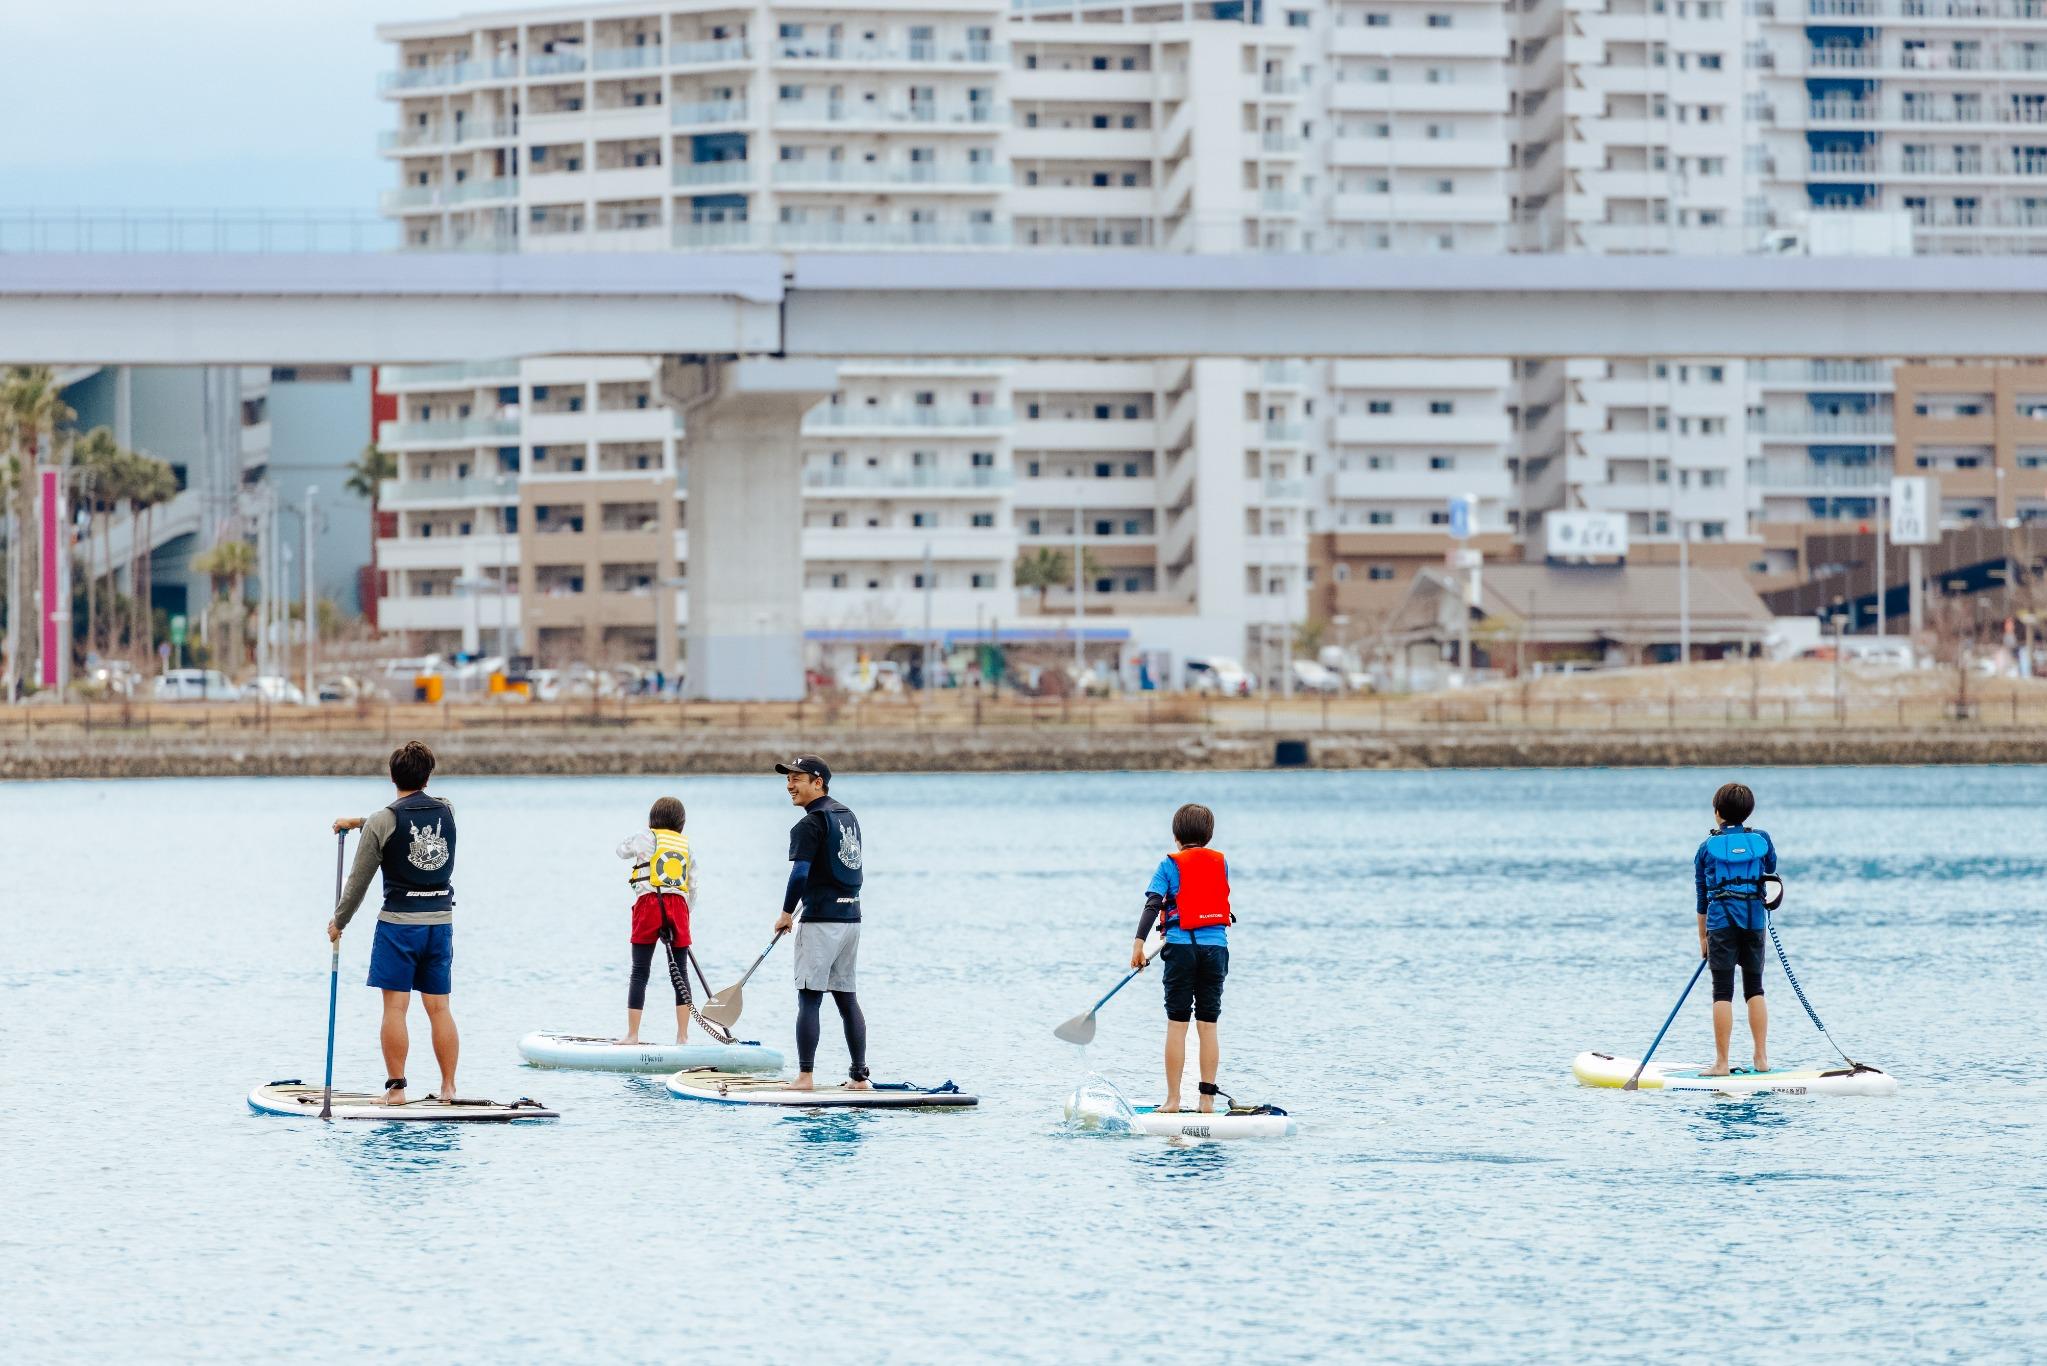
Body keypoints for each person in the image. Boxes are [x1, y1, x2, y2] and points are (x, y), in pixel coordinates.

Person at [328, 740, 460, 1106]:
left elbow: (358, 882)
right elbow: (406, 818)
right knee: (440, 1008)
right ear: (429, 776)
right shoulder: (447, 811)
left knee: (395, 1008)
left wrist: (339, 921)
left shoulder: (382, 822)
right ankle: (449, 1087)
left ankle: (397, 1089)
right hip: (440, 925)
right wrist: (358, 822)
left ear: (391, 776)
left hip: (399, 928)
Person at [773, 755, 868, 1092]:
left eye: (796, 779)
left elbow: (800, 873)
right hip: (851, 919)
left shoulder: (809, 824)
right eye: (788, 779)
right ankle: (860, 1078)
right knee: (846, 998)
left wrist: (786, 914)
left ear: (818, 782)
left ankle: (805, 1077)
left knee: (809, 998)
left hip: (821, 923)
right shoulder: (847, 815)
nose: (789, 785)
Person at [1132, 803, 1234, 1114]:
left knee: (1178, 1025)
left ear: (1176, 836)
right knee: (1208, 1025)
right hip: (1216, 950)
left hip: (1180, 950)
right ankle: (1207, 1101)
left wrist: (1138, 945)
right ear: (1209, 836)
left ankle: (1174, 1100)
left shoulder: (1168, 865)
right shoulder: (1221, 863)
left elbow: (1153, 905)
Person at [1696, 781, 1776, 1077]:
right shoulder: (1762, 840)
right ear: (1748, 812)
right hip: (1754, 921)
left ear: (1717, 812)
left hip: (1720, 925)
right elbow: (1771, 867)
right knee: (1755, 989)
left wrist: (1702, 938)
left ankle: (1721, 1063)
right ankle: (1761, 1058)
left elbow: (1702, 896)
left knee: (1722, 992)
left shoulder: (1706, 848)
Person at [615, 795, 700, 1045]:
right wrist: (685, 913)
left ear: (652, 820)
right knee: (681, 971)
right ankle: (682, 1037)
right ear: (681, 824)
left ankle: (632, 1035)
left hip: (649, 905)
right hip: (679, 907)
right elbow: (693, 885)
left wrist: (639, 835)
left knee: (640, 970)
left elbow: (620, 851)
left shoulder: (644, 836)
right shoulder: (686, 846)